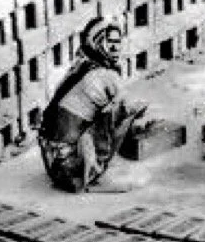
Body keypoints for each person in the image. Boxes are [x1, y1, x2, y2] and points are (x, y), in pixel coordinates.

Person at [38, 18, 147, 194]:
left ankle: (86, 163)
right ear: (96, 43)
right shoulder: (105, 75)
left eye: (118, 42)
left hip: (53, 164)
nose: (116, 48)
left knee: (99, 113)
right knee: (120, 110)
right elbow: (128, 107)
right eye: (109, 42)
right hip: (70, 169)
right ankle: (94, 174)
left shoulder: (80, 65)